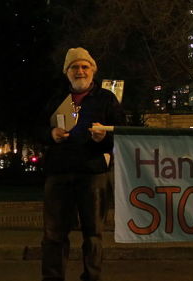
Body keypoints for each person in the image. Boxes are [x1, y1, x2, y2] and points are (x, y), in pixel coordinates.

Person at [38, 47, 125, 281]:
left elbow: (121, 134)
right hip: (59, 173)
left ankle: (92, 276)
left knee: (94, 233)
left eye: (84, 66)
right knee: (53, 234)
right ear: (67, 72)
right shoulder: (57, 98)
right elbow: (37, 130)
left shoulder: (107, 99)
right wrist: (51, 134)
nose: (80, 71)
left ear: (93, 71)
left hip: (93, 173)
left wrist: (104, 138)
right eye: (74, 67)